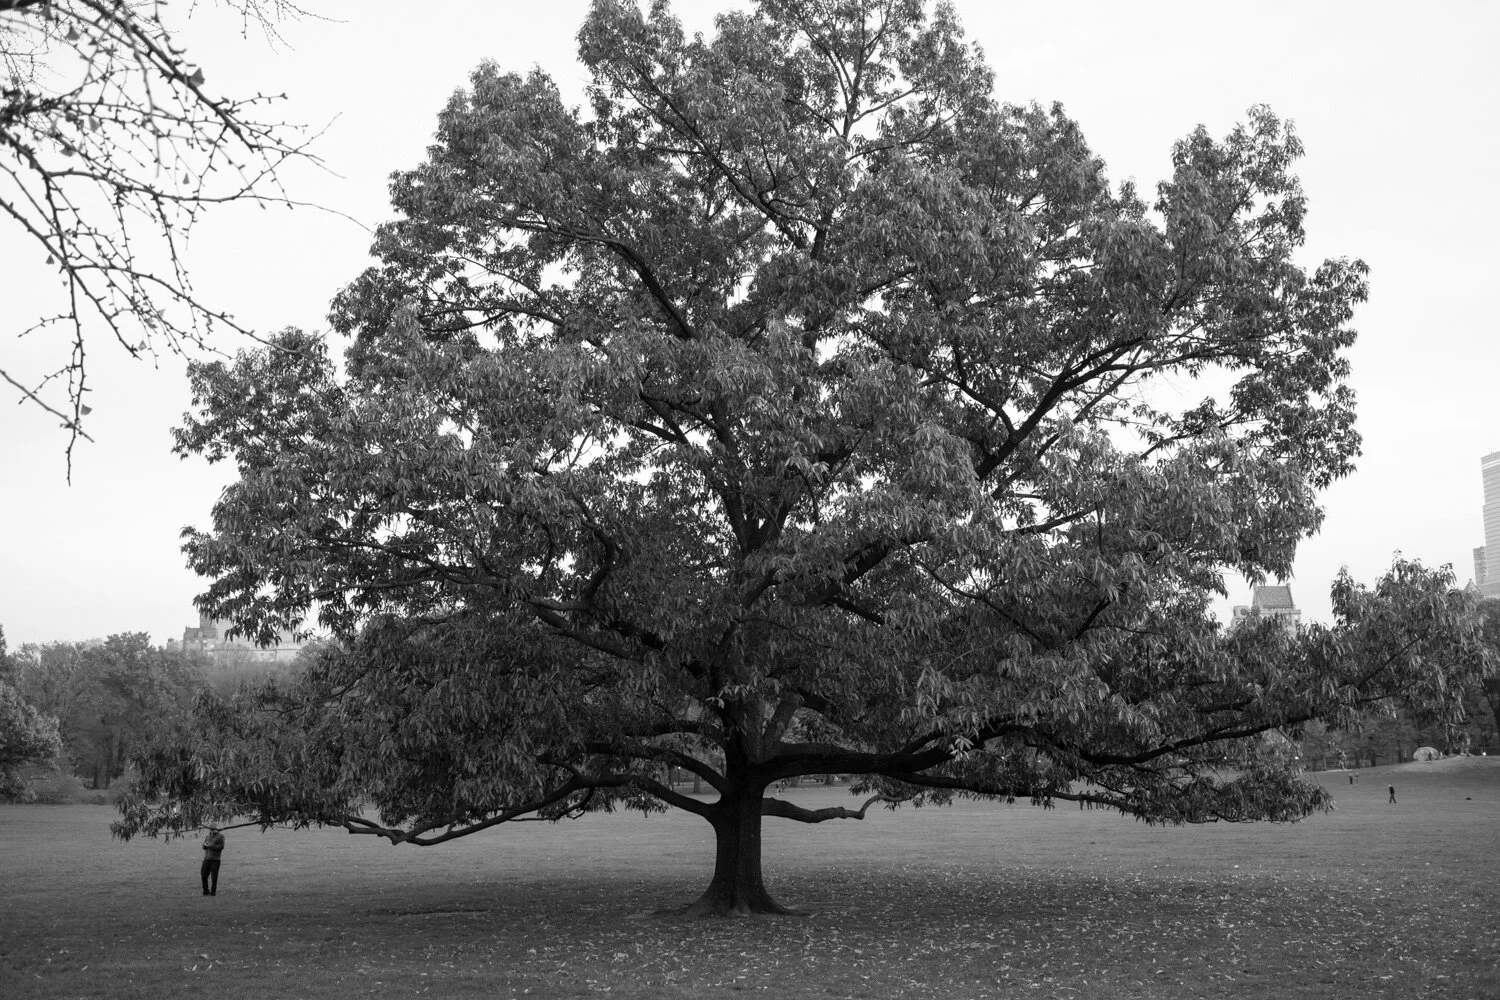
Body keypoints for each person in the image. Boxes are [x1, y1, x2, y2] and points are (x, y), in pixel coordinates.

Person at [201, 827, 226, 896]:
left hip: (215, 860)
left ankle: (213, 893)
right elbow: (203, 847)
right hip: (207, 859)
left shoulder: (220, 837)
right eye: (210, 829)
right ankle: (206, 891)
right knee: (203, 875)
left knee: (214, 877)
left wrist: (210, 846)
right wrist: (204, 845)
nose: (211, 831)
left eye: (213, 829)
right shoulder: (207, 836)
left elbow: (221, 847)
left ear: (216, 829)